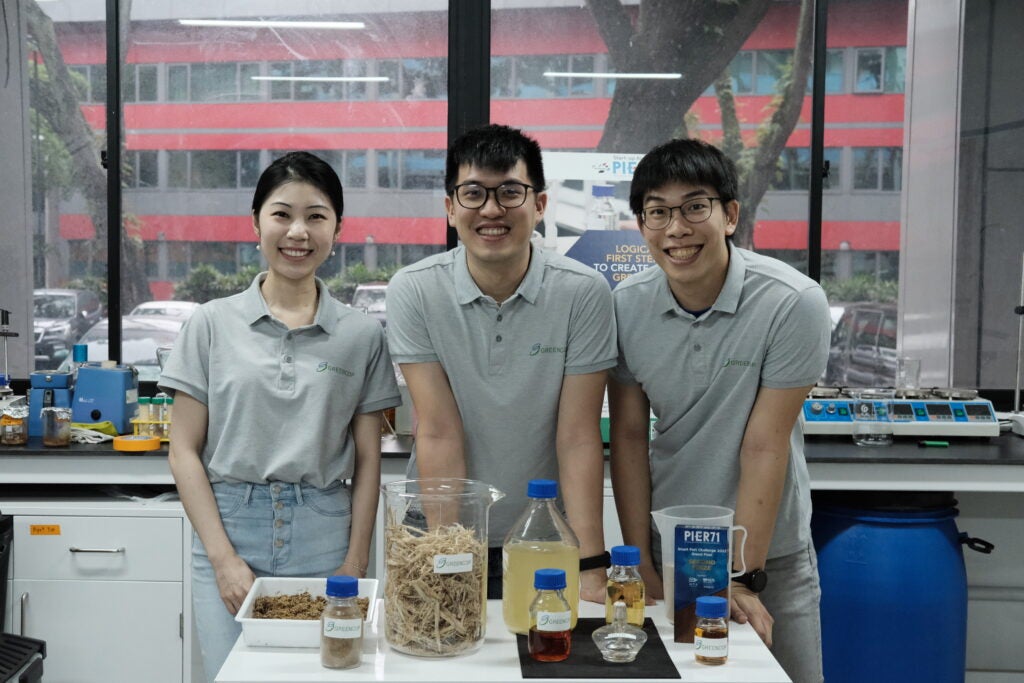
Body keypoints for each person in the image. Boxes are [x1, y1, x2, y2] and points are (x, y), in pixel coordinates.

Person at [159, 151, 401, 682]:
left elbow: (368, 461)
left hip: (326, 532)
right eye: (281, 213)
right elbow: (183, 451)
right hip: (230, 526)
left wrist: (355, 564)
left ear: (338, 228)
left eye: (317, 215)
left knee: (330, 674)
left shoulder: (361, 335)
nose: (298, 231)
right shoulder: (211, 324)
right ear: (256, 223)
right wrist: (222, 559)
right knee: (233, 675)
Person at [608, 138, 830, 683]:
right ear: (641, 225)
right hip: (670, 552)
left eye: (694, 207)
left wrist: (741, 576)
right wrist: (639, 562)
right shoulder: (625, 306)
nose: (675, 228)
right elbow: (631, 438)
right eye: (657, 212)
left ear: (729, 215)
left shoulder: (791, 302)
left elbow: (764, 444)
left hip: (768, 558)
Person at [385, 124, 616, 601]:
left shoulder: (582, 292)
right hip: (437, 522)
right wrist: (446, 557)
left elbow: (577, 436)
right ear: (451, 209)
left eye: (511, 192)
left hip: (544, 531)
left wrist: (591, 563)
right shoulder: (415, 289)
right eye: (473, 194)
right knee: (439, 657)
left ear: (540, 205)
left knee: (549, 662)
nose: (491, 209)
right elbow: (438, 430)